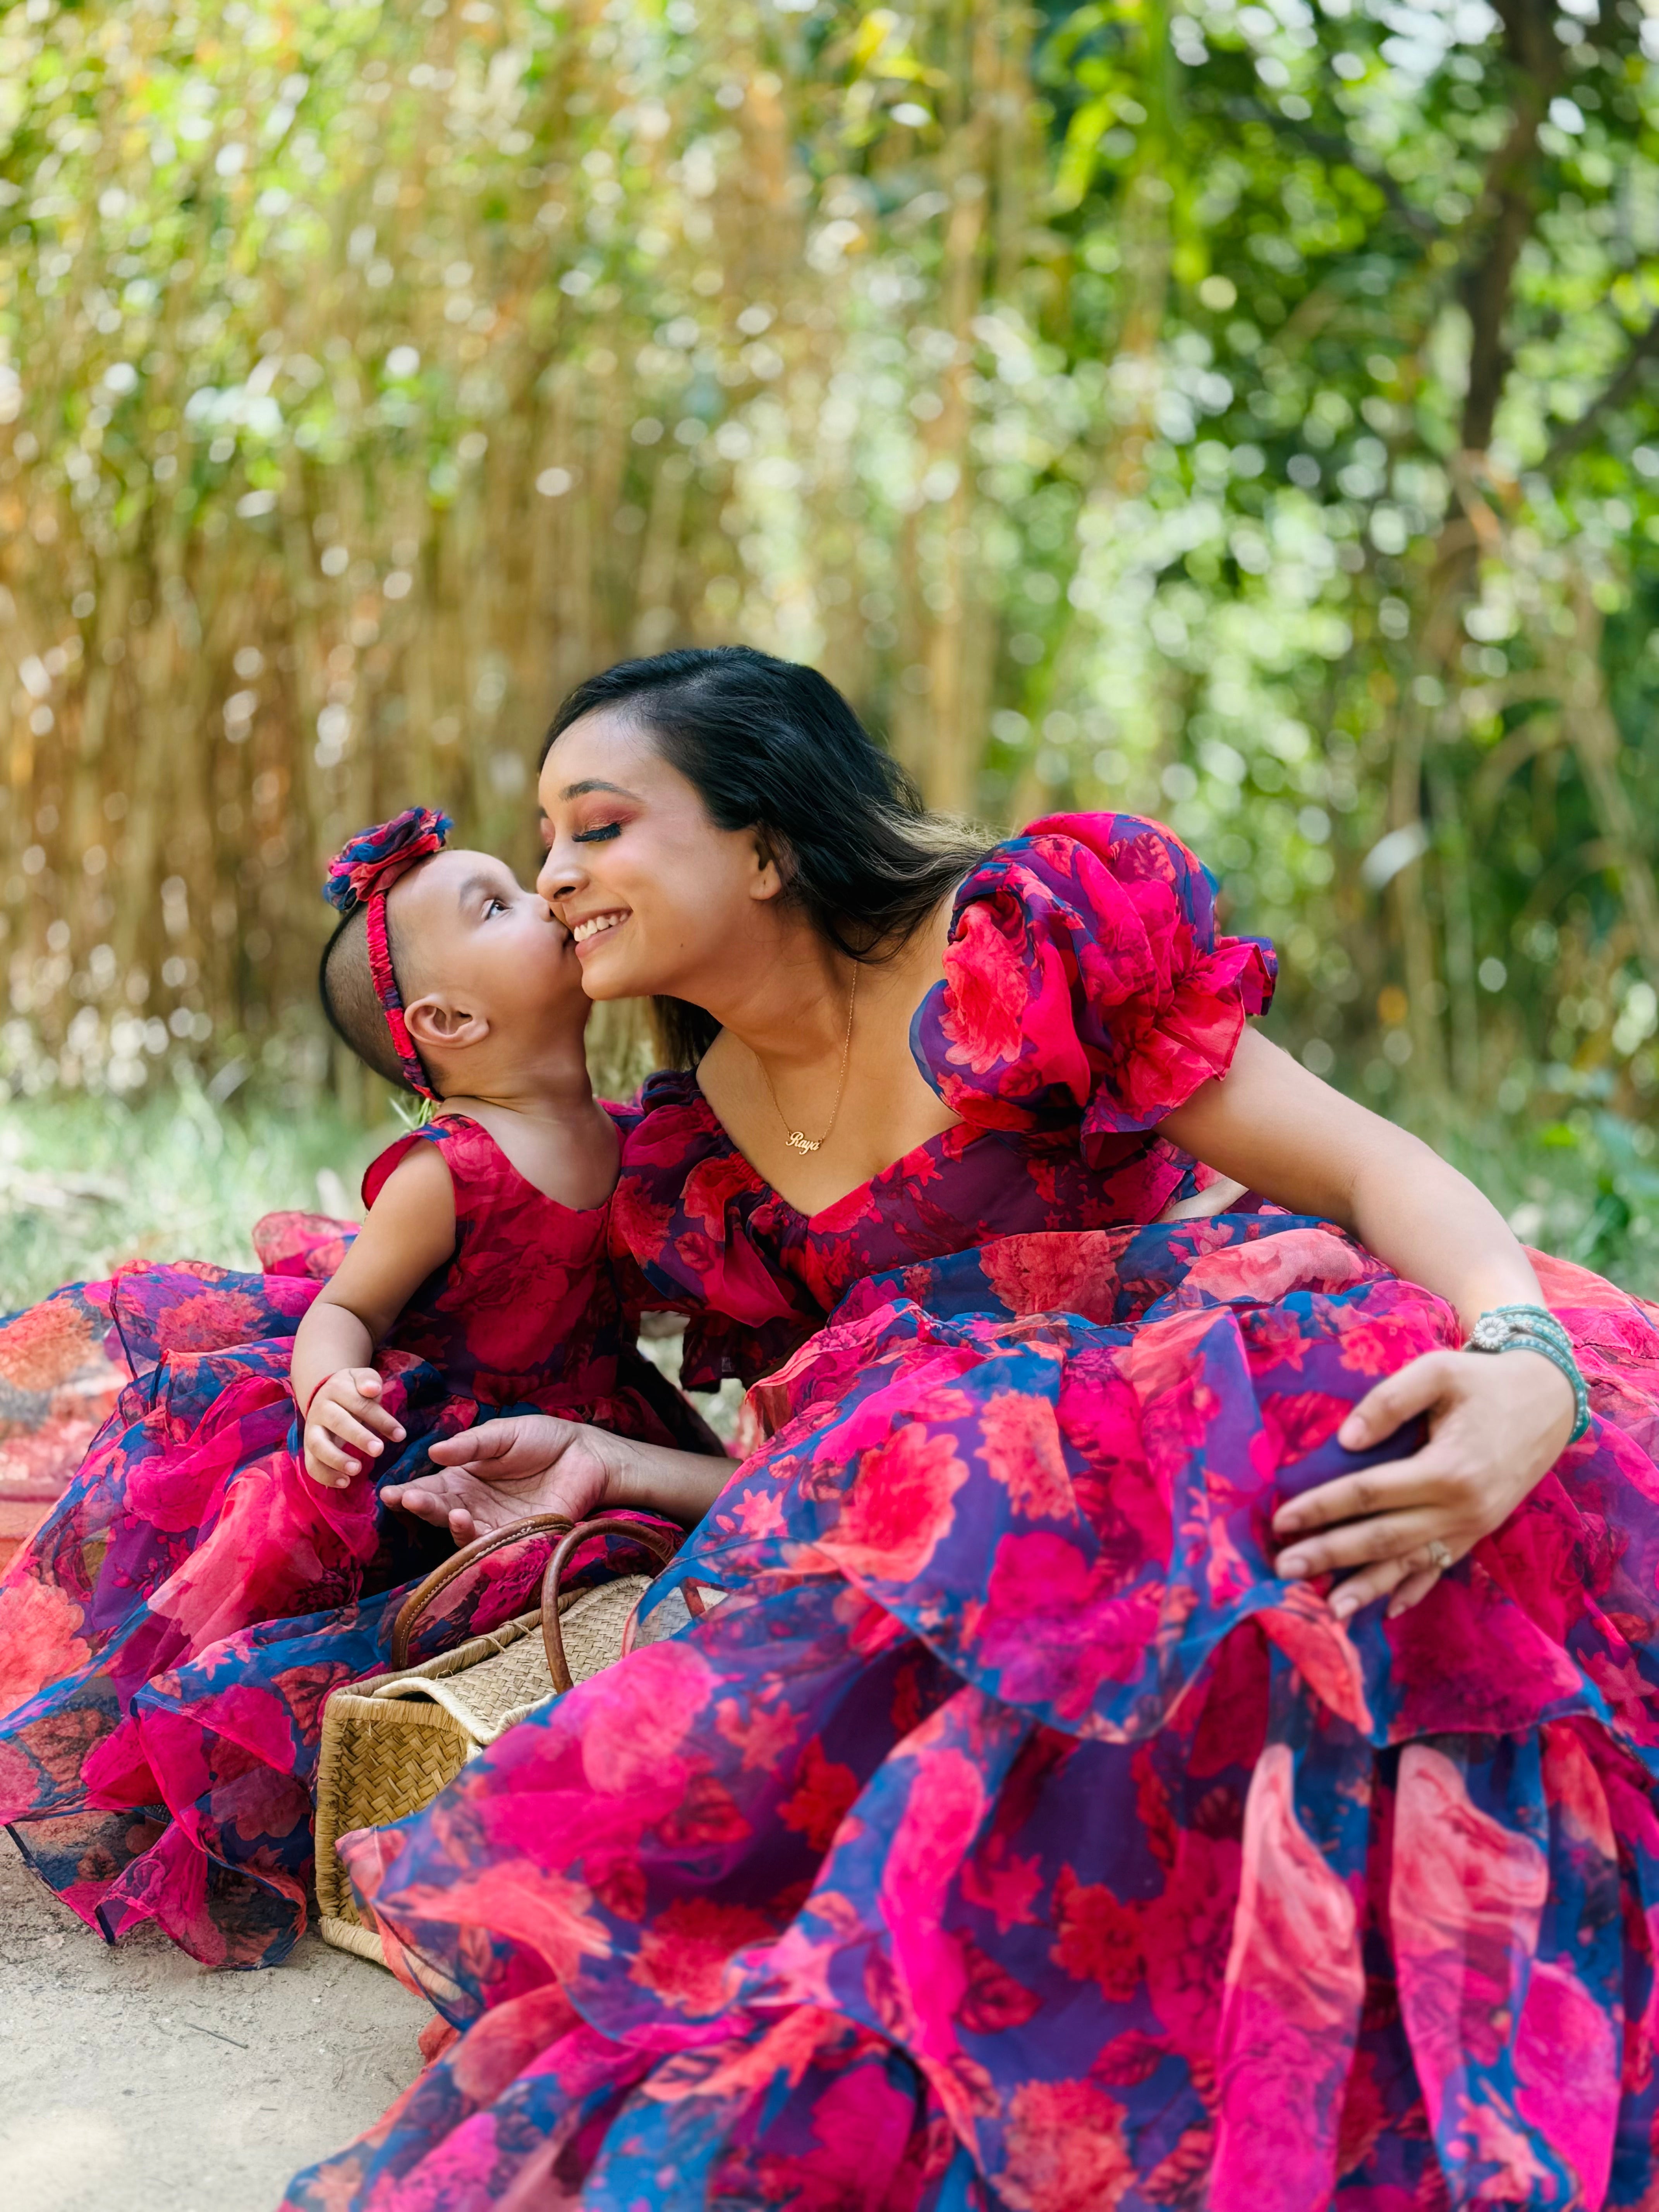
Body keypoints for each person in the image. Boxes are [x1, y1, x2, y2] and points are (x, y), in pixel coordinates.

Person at [278, 647, 1659, 2210]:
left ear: (763, 839)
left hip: (1256, 1411)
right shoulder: (702, 1150)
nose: (557, 872)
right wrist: (623, 1467)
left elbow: (1364, 1169)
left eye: (597, 826)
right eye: (546, 839)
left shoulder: (1015, 951)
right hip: (1042, 1543)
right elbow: (888, 1473)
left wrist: (1526, 1356)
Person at [0, 807, 717, 1969]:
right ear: (448, 1021)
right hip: (436, 1429)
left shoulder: (629, 1131)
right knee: (380, 1615)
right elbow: (345, 1308)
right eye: (501, 904)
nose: (548, 896)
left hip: (582, 1412)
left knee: (634, 1563)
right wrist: (331, 1392)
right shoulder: (452, 1172)